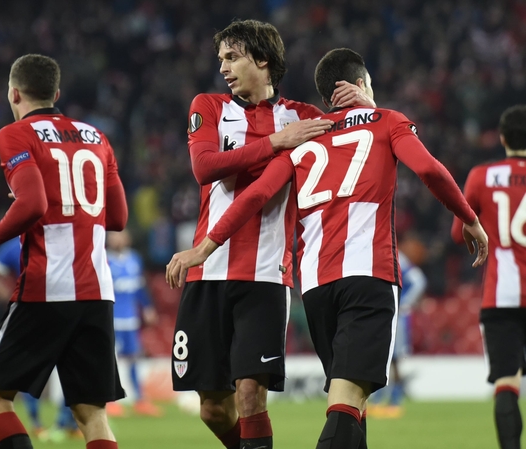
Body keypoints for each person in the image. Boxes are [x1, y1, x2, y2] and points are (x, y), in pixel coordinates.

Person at [166, 48, 488, 448]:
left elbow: (254, 196)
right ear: (361, 85)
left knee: (355, 408)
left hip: (317, 289)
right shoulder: (387, 121)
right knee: (346, 405)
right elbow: (427, 169)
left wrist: (204, 248)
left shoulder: (304, 139)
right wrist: (470, 219)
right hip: (368, 277)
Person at [171, 19, 374, 449]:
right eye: (221, 58)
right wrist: (278, 142)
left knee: (250, 395)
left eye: (233, 56)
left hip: (265, 275)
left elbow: (364, 142)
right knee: (212, 406)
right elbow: (205, 168)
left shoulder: (302, 117)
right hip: (206, 272)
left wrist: (367, 103)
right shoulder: (208, 106)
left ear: (262, 59)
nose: (223, 67)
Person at [0, 54, 128, 449]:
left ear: (13, 93)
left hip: (48, 287)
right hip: (97, 290)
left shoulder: (15, 134)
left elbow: (32, 205)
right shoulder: (97, 136)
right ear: (56, 93)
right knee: (90, 413)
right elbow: (117, 217)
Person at [450, 104, 526, 449]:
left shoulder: (482, 176)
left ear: (502, 138)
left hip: (502, 298)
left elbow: (457, 233)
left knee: (506, 383)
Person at [0, 238, 81, 442]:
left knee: (69, 373)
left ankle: (67, 423)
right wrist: (5, 294)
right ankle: (38, 423)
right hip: (33, 317)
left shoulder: (59, 237)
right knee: (31, 374)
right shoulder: (15, 244)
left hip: (62, 315)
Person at [367, 237, 427, 419]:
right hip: (383, 314)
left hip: (397, 317)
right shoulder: (378, 255)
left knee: (394, 360)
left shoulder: (396, 257)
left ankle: (395, 401)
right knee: (381, 357)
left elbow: (419, 281)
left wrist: (404, 303)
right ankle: (378, 401)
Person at [106, 229, 161, 417]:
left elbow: (139, 286)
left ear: (127, 238)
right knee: (112, 361)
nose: (117, 239)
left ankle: (140, 400)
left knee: (133, 359)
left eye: (120, 235)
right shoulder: (103, 259)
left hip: (130, 319)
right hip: (111, 320)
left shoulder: (134, 259)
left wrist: (147, 307)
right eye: (113, 236)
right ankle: (110, 400)